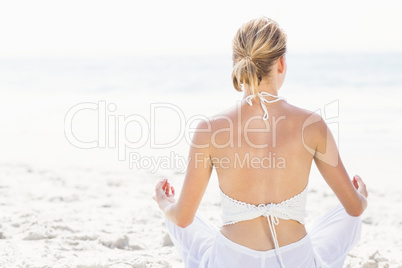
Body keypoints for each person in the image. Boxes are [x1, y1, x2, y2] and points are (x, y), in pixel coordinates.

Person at [153, 17, 368, 268]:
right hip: (293, 261)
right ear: (281, 63)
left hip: (232, 261)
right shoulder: (313, 125)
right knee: (345, 219)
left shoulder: (209, 130)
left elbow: (183, 219)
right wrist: (361, 196)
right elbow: (354, 209)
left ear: (237, 65)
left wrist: (164, 204)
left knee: (179, 218)